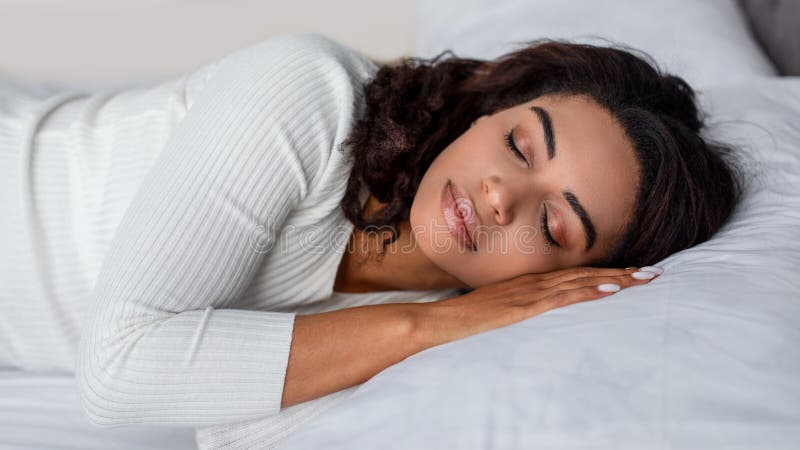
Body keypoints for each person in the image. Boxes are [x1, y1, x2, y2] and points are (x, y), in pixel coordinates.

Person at [0, 32, 744, 447]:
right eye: (520, 144)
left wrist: (441, 326)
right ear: (490, 107)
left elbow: (234, 427)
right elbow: (120, 371)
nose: (498, 197)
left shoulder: (454, 328)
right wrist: (434, 323)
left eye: (551, 224)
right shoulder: (307, 94)